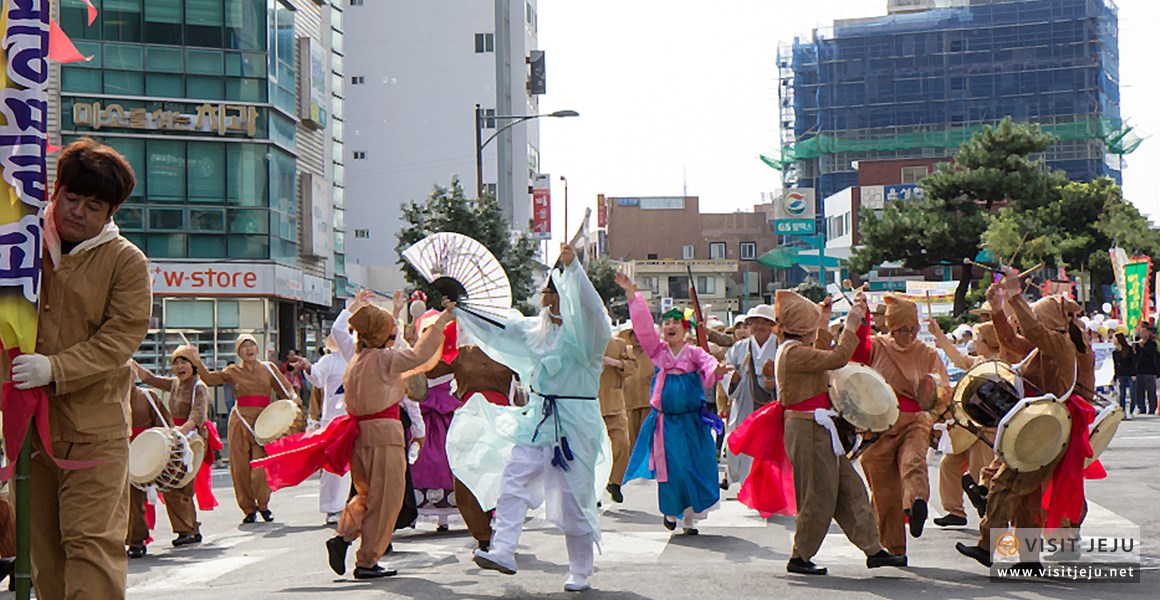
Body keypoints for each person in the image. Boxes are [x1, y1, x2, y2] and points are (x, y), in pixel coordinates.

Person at [1, 138, 152, 599]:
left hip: (96, 427)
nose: (78, 212)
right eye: (71, 199)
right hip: (25, 426)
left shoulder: (126, 261)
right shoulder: (19, 245)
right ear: (55, 191)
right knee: (40, 551)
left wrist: (55, 368)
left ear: (110, 213)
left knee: (91, 544)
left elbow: (121, 338)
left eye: (93, 205)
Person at [448, 243, 611, 593]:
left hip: (575, 424)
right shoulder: (537, 332)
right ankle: (503, 549)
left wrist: (574, 271)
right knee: (514, 478)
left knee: (574, 500)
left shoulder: (588, 337)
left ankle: (580, 571)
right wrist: (463, 310)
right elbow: (501, 328)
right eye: (547, 294)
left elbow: (592, 310)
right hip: (538, 419)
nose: (549, 301)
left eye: (557, 294)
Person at [728, 290, 906, 575]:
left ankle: (873, 549)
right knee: (818, 495)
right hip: (807, 429)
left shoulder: (793, 349)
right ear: (803, 329)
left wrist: (823, 321)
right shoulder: (793, 352)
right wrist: (851, 324)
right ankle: (801, 556)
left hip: (818, 427)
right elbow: (836, 358)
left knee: (851, 489)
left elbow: (823, 353)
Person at [956, 272, 1095, 568]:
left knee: (1003, 486)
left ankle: (987, 546)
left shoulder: (1057, 345)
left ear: (1047, 321)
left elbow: (1031, 332)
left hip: (1046, 431)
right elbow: (1010, 339)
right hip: (1039, 428)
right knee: (1026, 496)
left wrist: (1014, 295)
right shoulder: (1045, 348)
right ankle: (1028, 558)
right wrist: (997, 308)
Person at [322, 298, 453, 578]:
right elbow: (420, 356)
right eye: (391, 329)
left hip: (362, 435)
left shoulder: (358, 359)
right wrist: (442, 321)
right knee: (386, 500)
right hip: (384, 434)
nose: (394, 333)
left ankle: (344, 536)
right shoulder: (385, 358)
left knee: (367, 494)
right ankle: (366, 560)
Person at [617, 274, 727, 534]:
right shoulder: (659, 353)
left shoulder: (695, 354)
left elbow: (709, 365)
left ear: (685, 329)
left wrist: (717, 369)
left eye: (676, 322)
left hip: (693, 422)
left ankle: (689, 518)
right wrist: (633, 295)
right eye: (666, 322)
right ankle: (670, 511)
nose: (670, 325)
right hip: (667, 424)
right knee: (672, 470)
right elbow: (643, 329)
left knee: (695, 467)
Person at [860, 294, 950, 557]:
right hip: (878, 424)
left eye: (913, 329)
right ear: (890, 327)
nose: (908, 335)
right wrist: (860, 318)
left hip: (915, 420)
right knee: (884, 489)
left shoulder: (928, 353)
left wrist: (934, 407)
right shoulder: (877, 346)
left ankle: (916, 503)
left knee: (914, 463)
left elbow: (943, 388)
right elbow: (855, 354)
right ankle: (894, 548)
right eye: (902, 330)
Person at [188, 335, 297, 523]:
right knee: (240, 468)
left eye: (251, 344)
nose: (249, 349)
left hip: (264, 423)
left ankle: (263, 505)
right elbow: (209, 378)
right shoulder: (233, 371)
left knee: (261, 466)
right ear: (239, 352)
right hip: (239, 421)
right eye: (244, 346)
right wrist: (196, 359)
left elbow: (287, 390)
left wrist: (293, 401)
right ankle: (248, 509)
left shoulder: (268, 369)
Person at [133, 345, 220, 545]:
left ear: (193, 365)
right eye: (176, 363)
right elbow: (148, 378)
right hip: (176, 437)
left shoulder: (199, 386)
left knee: (180, 485)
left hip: (192, 439)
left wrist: (183, 430)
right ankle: (190, 528)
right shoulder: (174, 384)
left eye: (184, 362)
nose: (180, 366)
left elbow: (197, 414)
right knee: (176, 484)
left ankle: (187, 530)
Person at [926, 319, 999, 527]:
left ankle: (992, 517)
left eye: (978, 338)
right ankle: (955, 511)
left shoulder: (1000, 364)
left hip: (987, 428)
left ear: (987, 341)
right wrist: (939, 335)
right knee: (949, 464)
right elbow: (957, 358)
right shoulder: (979, 361)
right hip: (968, 425)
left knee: (980, 473)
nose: (975, 342)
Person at [448, 344, 517, 551]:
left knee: (502, 475)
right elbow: (432, 368)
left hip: (500, 420)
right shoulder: (461, 352)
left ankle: (502, 529)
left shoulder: (507, 348)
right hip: (470, 421)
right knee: (466, 477)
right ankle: (483, 535)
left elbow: (531, 373)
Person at [297, 334, 351, 524]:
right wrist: (308, 367)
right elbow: (317, 378)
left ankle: (354, 504)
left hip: (357, 417)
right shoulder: (329, 359)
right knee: (333, 467)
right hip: (334, 420)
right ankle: (332, 507)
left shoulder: (359, 357)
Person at [722, 305, 777, 491]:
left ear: (771, 325)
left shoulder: (780, 347)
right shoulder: (739, 348)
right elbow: (727, 371)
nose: (759, 326)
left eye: (764, 322)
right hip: (746, 402)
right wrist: (732, 379)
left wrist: (776, 383)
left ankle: (767, 491)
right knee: (743, 448)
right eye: (755, 322)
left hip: (772, 406)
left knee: (770, 450)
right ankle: (749, 488)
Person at [124, 386, 173, 559]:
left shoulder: (147, 396)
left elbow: (163, 422)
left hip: (142, 452)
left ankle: (135, 540)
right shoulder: (106, 394)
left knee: (136, 498)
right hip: (115, 450)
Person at [599, 334, 636, 504]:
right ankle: (594, 490)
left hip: (614, 404)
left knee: (622, 444)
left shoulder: (619, 344)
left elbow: (632, 367)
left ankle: (614, 482)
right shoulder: (582, 340)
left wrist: (615, 363)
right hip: (591, 405)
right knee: (592, 452)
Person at [621, 327, 654, 452]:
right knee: (630, 442)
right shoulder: (625, 353)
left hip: (648, 403)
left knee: (648, 440)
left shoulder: (652, 354)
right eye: (633, 335)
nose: (637, 338)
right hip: (629, 403)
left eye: (639, 334)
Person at [1133, 324, 1158, 415]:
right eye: (1141, 332)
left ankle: (1152, 407)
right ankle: (1141, 407)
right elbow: (1135, 356)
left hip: (1150, 370)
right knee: (1139, 390)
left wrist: (1143, 346)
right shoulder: (1137, 343)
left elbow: (1151, 355)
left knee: (1151, 390)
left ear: (1148, 332)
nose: (1142, 334)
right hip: (1139, 370)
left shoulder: (1152, 344)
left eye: (1144, 331)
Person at [1112, 332, 1136, 420]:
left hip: (1129, 374)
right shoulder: (1115, 352)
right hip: (1121, 375)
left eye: (1114, 338)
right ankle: (1123, 412)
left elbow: (1133, 362)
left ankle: (1132, 410)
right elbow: (1115, 365)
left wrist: (1134, 374)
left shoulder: (1128, 349)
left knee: (1133, 393)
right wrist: (1114, 376)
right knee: (1122, 394)